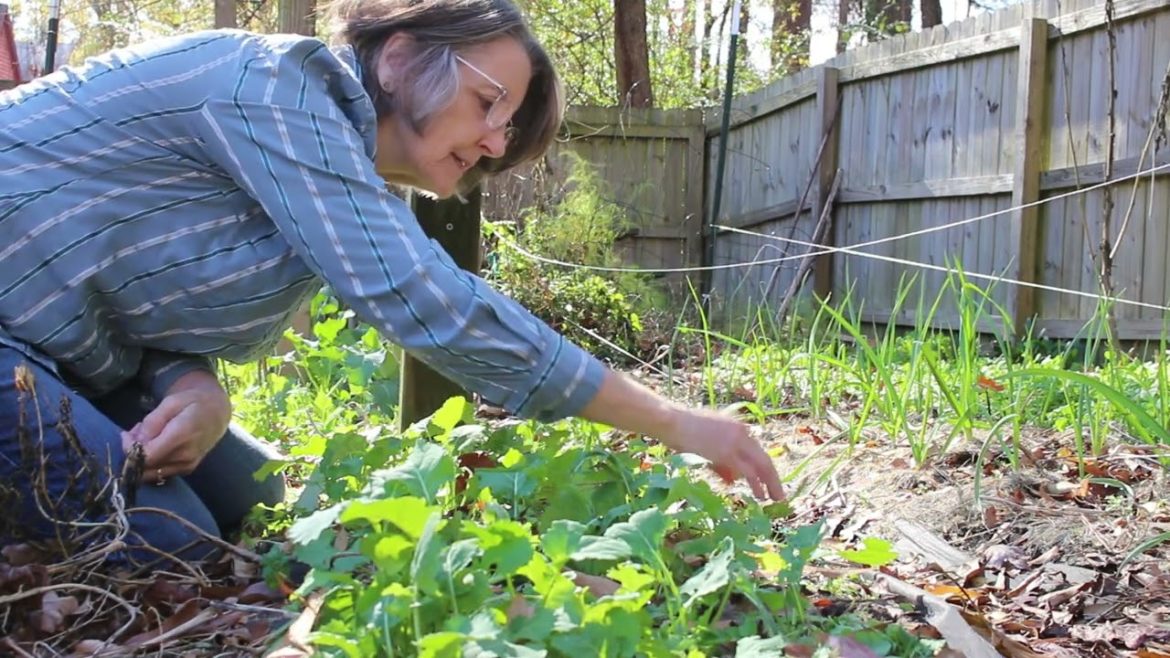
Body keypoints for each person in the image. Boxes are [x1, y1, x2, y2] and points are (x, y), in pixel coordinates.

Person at [0, 0, 783, 565]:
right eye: (488, 103)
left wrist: (196, 387)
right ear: (400, 57)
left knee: (253, 500)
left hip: (57, 361)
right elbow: (424, 301)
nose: (494, 141)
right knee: (163, 540)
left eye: (507, 129)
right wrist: (674, 422)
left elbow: (142, 306)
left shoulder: (330, 170)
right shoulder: (269, 87)